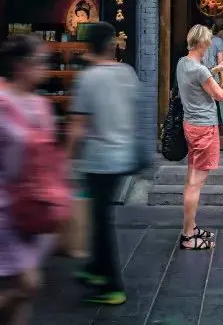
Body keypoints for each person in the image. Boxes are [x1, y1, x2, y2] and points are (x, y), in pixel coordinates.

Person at [67, 22, 139, 306]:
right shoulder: (128, 73)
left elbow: (77, 126)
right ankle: (95, 269)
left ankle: (111, 285)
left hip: (98, 159)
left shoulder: (89, 78)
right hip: (123, 156)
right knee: (101, 216)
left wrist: (66, 160)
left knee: (100, 220)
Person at [0, 35, 55, 325]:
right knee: (25, 285)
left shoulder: (40, 104)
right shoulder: (2, 101)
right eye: (40, 60)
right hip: (5, 211)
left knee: (25, 291)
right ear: (21, 65)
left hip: (32, 210)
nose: (45, 66)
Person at [177, 25, 223, 249]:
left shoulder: (183, 63)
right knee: (196, 184)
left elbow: (198, 78)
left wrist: (216, 69)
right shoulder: (199, 70)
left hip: (190, 125)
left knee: (190, 180)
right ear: (204, 43)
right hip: (204, 127)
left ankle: (191, 227)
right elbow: (222, 95)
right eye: (208, 43)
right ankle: (187, 236)